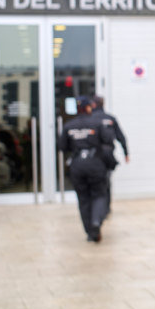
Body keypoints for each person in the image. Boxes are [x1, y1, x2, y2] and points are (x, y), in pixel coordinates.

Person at [58, 96, 115, 242]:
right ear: (88, 107)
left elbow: (62, 146)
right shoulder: (96, 123)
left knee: (83, 199)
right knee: (99, 195)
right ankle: (96, 222)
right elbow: (108, 140)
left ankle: (90, 232)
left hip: (77, 165)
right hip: (95, 163)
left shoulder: (69, 125)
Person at [91, 94, 128, 213]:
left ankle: (96, 208)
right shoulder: (110, 118)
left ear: (93, 104)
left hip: (94, 155)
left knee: (94, 181)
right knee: (106, 181)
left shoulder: (90, 118)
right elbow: (121, 137)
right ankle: (106, 208)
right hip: (108, 155)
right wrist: (126, 153)